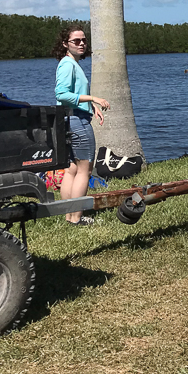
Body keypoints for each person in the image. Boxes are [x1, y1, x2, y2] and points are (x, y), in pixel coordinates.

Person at [53, 24, 109, 226]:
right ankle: (76, 218)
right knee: (84, 169)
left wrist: (91, 105)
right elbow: (62, 94)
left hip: (69, 119)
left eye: (84, 40)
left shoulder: (70, 63)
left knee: (72, 169)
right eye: (76, 41)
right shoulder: (68, 65)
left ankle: (68, 215)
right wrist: (94, 97)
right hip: (76, 121)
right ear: (65, 44)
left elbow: (72, 96)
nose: (82, 43)